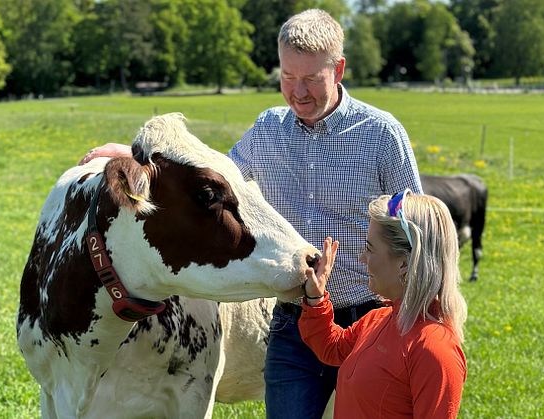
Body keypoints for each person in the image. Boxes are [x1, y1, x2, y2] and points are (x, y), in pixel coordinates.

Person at [79, 9, 423, 418]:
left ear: (339, 69)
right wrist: (133, 158)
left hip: (370, 319)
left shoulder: (382, 135)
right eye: (287, 77)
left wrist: (424, 316)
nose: (298, 92)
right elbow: (210, 181)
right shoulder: (268, 129)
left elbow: (418, 230)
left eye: (311, 78)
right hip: (295, 323)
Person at [299, 191, 468, 419]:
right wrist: (316, 298)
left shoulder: (435, 350)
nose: (362, 259)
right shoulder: (378, 319)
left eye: (370, 249)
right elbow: (333, 348)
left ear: (404, 264)